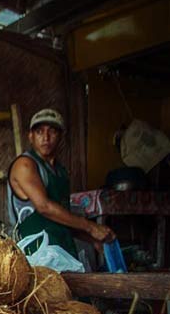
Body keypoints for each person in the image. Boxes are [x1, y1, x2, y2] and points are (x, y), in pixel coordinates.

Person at [8, 108, 115, 258]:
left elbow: (62, 219)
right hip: (37, 254)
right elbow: (44, 207)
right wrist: (90, 226)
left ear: (61, 137)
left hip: (62, 250)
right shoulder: (25, 165)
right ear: (30, 136)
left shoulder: (60, 172)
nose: (46, 137)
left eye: (52, 131)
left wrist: (92, 239)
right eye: (39, 132)